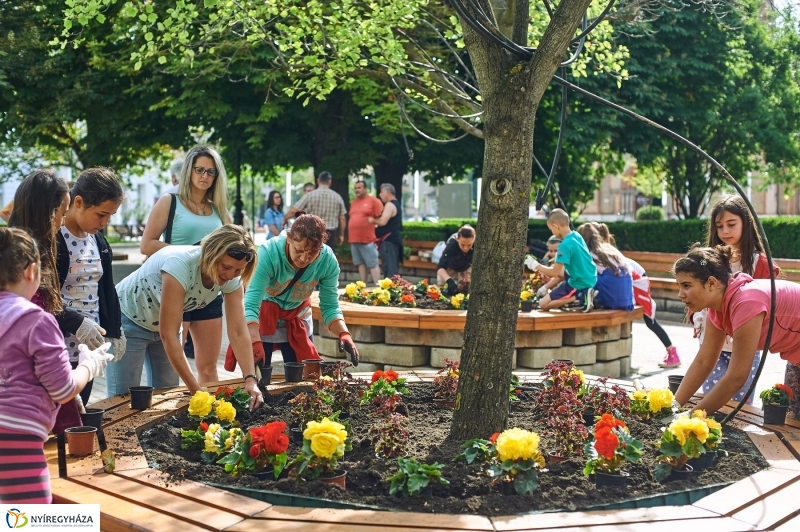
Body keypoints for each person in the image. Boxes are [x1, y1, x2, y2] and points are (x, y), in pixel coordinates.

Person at [0, 227, 112, 504]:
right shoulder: (36, 320)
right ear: (31, 271)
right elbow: (63, 390)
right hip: (15, 438)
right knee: (34, 519)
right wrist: (89, 364)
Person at [108, 224, 263, 409]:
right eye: (226, 267)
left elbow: (238, 331)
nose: (231, 275)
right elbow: (169, 335)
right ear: (210, 255)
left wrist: (250, 379)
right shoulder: (180, 265)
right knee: (122, 399)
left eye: (238, 270)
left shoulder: (233, 278)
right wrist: (196, 389)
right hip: (127, 320)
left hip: (165, 325)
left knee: (167, 395)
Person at [140, 145, 232, 381]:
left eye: (211, 172)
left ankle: (211, 415)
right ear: (189, 170)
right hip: (176, 288)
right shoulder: (170, 201)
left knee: (209, 369)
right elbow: (147, 245)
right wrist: (192, 253)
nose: (205, 176)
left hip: (209, 292)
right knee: (171, 369)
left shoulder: (218, 209)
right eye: (200, 170)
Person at [673, 245, 800, 414]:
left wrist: (689, 417)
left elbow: (737, 377)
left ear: (711, 283)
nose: (680, 294)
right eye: (679, 286)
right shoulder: (717, 308)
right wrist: (672, 407)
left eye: (686, 285)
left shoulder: (745, 301)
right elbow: (704, 361)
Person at [239, 212, 360, 370]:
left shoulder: (327, 260)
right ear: (289, 238)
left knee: (302, 379)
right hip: (263, 317)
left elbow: (329, 305)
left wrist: (344, 334)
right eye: (299, 251)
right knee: (260, 376)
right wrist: (254, 342)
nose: (304, 259)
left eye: (312, 253)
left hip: (298, 317)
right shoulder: (268, 253)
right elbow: (251, 303)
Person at [692, 195, 778, 402]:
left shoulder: (760, 263)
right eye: (719, 226)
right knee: (711, 399)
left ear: (746, 223)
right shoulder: (709, 260)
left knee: (740, 402)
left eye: (731, 224)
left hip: (745, 342)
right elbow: (697, 289)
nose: (725, 231)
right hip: (712, 342)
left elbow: (769, 301)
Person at [57, 168, 126, 406]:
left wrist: (115, 329)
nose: (105, 222)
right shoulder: (56, 237)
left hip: (89, 348)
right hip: (59, 345)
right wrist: (77, 323)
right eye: (101, 214)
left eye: (110, 216)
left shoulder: (97, 240)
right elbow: (46, 297)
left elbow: (107, 287)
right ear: (78, 202)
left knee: (80, 415)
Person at [590, 222, 681, 369]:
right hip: (634, 277)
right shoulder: (603, 249)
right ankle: (671, 352)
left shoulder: (601, 251)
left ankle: (672, 353)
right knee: (647, 319)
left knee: (650, 320)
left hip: (638, 279)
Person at [525, 209, 597, 312]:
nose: (552, 232)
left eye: (551, 229)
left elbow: (554, 273)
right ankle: (580, 296)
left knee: (543, 304)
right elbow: (575, 255)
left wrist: (535, 264)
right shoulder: (576, 236)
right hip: (590, 277)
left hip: (579, 283)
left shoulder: (564, 246)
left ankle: (580, 296)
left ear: (555, 226)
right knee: (561, 275)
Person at [575, 223, 633, 311]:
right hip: (627, 299)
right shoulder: (609, 248)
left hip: (611, 297)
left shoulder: (588, 253)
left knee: (581, 277)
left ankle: (585, 300)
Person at [285, 171, 347, 249]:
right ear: (330, 182)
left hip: (313, 232)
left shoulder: (310, 195)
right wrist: (341, 234)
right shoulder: (337, 197)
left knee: (313, 256)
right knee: (329, 257)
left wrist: (284, 219)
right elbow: (342, 218)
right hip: (331, 233)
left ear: (318, 181)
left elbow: (293, 211)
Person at [348, 181, 383, 284]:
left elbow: (380, 219)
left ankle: (378, 287)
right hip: (354, 239)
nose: (357, 190)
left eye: (359, 187)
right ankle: (363, 286)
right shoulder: (353, 202)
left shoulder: (374, 201)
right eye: (355, 188)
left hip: (367, 240)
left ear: (365, 189)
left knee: (372, 264)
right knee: (360, 264)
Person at [369, 183, 403, 278]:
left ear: (388, 193)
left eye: (382, 192)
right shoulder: (396, 204)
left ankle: (389, 290)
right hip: (392, 241)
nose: (380, 195)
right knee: (391, 267)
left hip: (389, 242)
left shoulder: (390, 205)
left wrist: (372, 220)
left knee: (389, 269)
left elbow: (383, 222)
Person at [437, 224, 475, 296]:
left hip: (466, 266)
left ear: (474, 239)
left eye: (469, 245)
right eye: (463, 245)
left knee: (465, 290)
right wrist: (449, 280)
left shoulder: (478, 244)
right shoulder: (451, 244)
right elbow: (440, 268)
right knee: (441, 288)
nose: (466, 248)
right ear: (457, 239)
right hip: (450, 266)